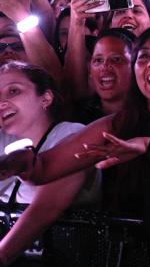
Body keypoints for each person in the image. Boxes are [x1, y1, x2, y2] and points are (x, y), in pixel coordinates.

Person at [0, 27, 150, 223]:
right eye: (143, 56)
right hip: (134, 251)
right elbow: (43, 169)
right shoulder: (118, 124)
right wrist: (19, 163)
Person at [0, 62, 99, 265]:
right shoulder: (3, 140)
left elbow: (47, 208)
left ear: (45, 98)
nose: (2, 102)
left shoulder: (73, 134)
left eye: (13, 91)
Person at [72, 29, 134, 124]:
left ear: (135, 66)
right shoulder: (74, 115)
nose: (104, 66)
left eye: (116, 59)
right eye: (98, 60)